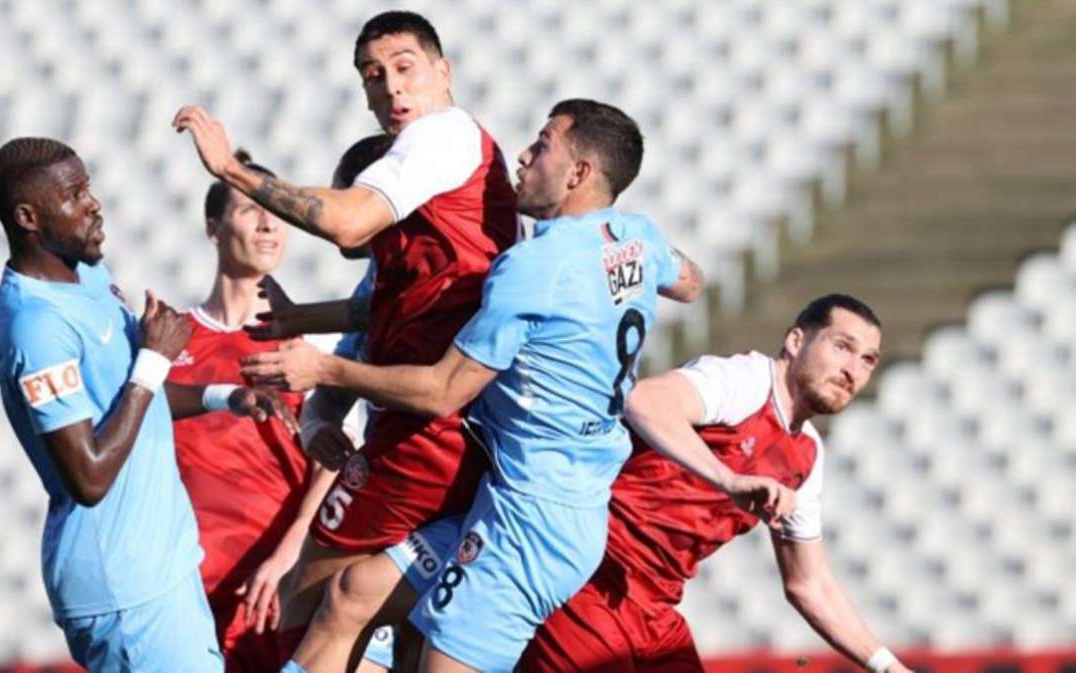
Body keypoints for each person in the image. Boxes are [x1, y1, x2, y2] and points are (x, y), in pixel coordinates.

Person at [244, 100, 783, 673]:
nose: (522, 155)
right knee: (354, 594)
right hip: (535, 502)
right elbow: (692, 282)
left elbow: (443, 390)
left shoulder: (532, 267)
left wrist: (323, 369)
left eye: (543, 143)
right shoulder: (639, 237)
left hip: (528, 527)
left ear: (579, 174)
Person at [174, 11, 518, 664]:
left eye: (404, 67)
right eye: (372, 76)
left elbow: (347, 223)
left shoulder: (440, 138)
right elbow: (374, 314)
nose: (390, 87)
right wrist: (309, 354)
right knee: (378, 608)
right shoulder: (430, 216)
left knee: (306, 596)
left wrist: (233, 169)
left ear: (443, 71)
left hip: (433, 431)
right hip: (451, 426)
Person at [0, 138, 284, 672]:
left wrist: (225, 397)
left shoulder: (86, 275)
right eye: (75, 194)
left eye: (89, 186)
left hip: (161, 567)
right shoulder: (37, 326)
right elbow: (89, 475)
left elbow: (129, 397)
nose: (94, 204)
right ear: (29, 217)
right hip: (124, 584)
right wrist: (152, 361)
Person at [518, 294, 916, 673]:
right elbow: (642, 400)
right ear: (796, 340)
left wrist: (886, 665)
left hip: (653, 605)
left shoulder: (807, 454)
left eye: (868, 360)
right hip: (590, 573)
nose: (853, 371)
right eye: (842, 347)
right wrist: (729, 479)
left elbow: (808, 584)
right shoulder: (743, 380)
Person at [168, 148, 324, 671]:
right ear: (213, 228)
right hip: (181, 585)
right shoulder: (169, 338)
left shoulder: (305, 345)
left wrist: (287, 557)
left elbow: (333, 463)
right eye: (249, 208)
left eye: (275, 211)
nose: (267, 222)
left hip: (270, 589)